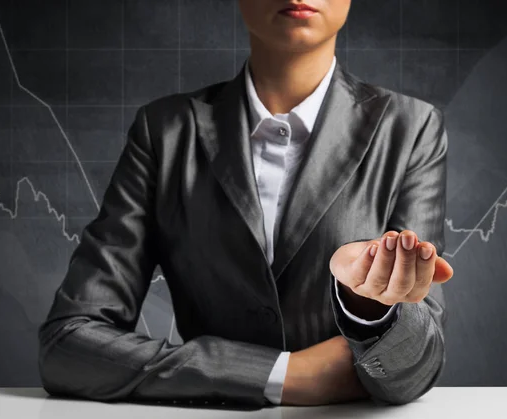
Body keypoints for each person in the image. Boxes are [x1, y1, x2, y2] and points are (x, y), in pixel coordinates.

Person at [37, 0, 454, 408]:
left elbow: (416, 367)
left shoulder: (410, 129)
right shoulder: (164, 133)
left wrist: (368, 308)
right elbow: (69, 345)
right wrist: (281, 375)